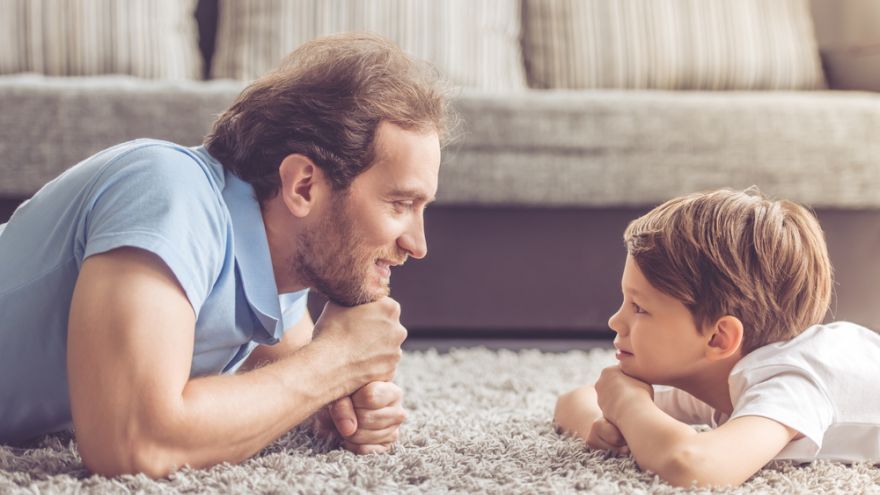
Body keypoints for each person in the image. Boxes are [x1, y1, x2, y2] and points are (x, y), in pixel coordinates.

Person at [0, 33, 453, 477]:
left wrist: (337, 404)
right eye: (400, 204)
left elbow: (295, 377)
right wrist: (336, 362)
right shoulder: (168, 192)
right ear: (303, 186)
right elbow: (131, 441)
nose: (418, 244)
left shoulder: (282, 271)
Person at [554, 188, 880, 487]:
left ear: (718, 339)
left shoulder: (789, 384)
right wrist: (602, 426)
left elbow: (693, 466)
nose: (615, 320)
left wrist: (628, 405)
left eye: (639, 307)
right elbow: (572, 402)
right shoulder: (717, 374)